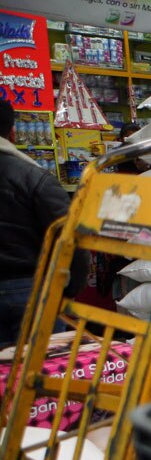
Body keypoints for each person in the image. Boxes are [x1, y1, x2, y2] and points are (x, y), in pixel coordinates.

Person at [0, 101, 79, 346]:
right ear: (13, 133)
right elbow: (70, 240)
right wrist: (67, 290)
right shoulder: (34, 177)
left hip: (30, 289)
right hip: (31, 291)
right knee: (40, 374)